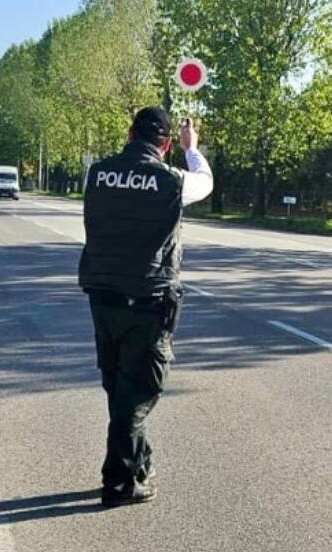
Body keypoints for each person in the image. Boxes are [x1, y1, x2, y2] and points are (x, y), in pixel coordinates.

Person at [78, 106, 213, 508]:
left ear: (128, 133)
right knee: (138, 391)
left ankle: (138, 462)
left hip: (102, 295)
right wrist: (193, 149)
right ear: (166, 143)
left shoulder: (97, 173)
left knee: (118, 384)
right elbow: (205, 183)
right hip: (147, 298)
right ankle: (119, 483)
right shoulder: (171, 180)